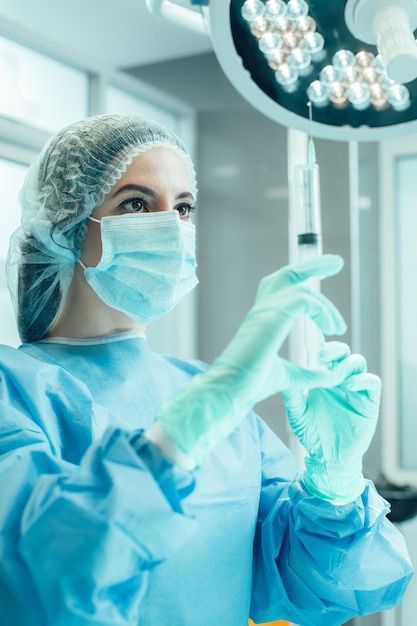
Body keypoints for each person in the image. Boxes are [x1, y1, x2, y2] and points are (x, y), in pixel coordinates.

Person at [0, 113, 412, 626]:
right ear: (67, 224)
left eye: (184, 207)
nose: (171, 227)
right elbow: (38, 577)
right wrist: (179, 435)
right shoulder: (14, 393)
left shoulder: (211, 395)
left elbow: (322, 585)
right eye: (136, 203)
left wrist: (334, 485)